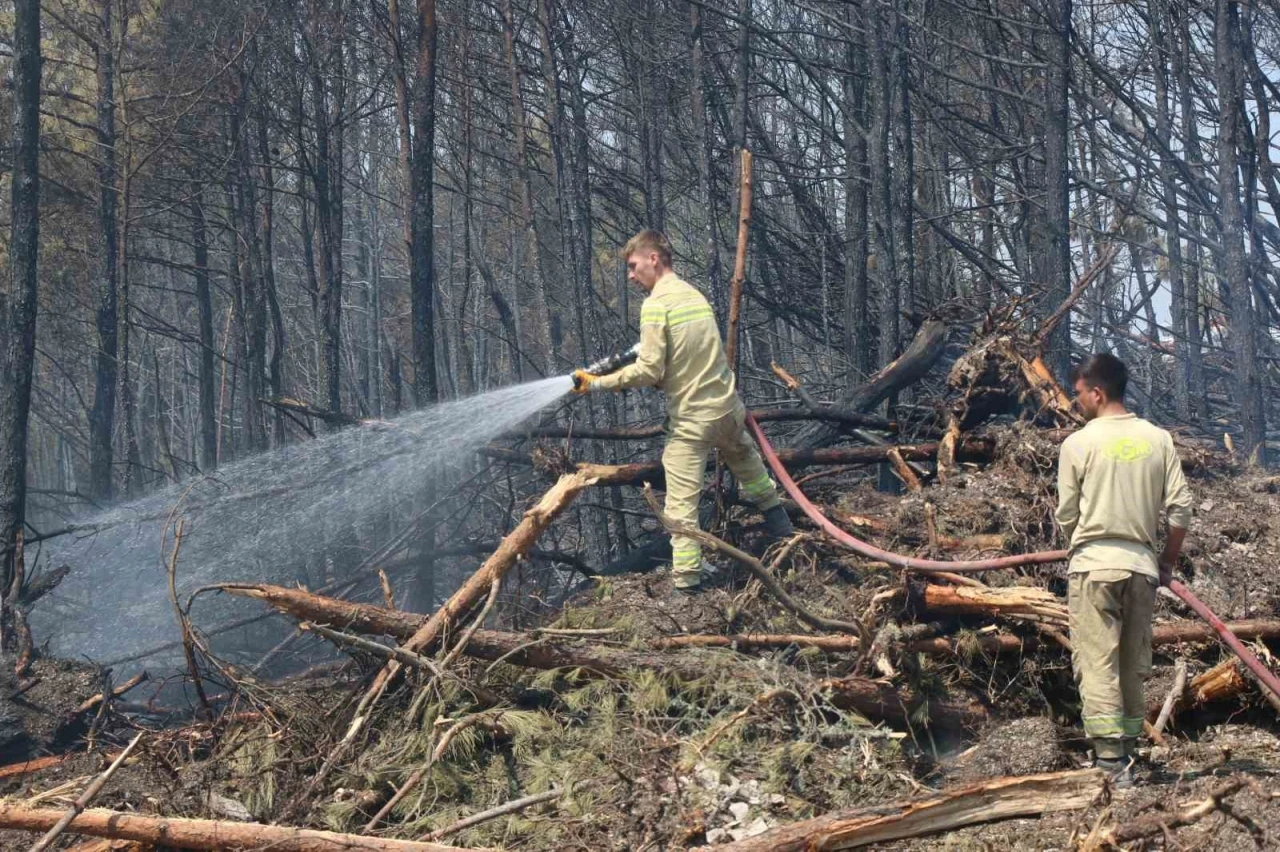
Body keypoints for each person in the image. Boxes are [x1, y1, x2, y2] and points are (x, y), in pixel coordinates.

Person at [573, 229, 793, 593]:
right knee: (751, 468)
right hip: (728, 410)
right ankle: (782, 527)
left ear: (654, 259)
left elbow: (648, 371)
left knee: (680, 505)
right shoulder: (694, 295)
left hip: (693, 421)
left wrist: (596, 383)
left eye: (633, 266)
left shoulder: (655, 305)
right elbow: (692, 357)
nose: (630, 275)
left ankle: (688, 580)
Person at [1055, 353, 1192, 788]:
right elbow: (1180, 511)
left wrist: (1083, 542)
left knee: (1097, 662)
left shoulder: (1078, 444)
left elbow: (1067, 514)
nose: (1075, 401)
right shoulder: (1158, 439)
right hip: (1142, 569)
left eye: (1079, 393)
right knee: (1133, 661)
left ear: (1097, 393)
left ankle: (1111, 763)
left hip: (1094, 567)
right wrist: (1166, 561)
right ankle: (1129, 751)